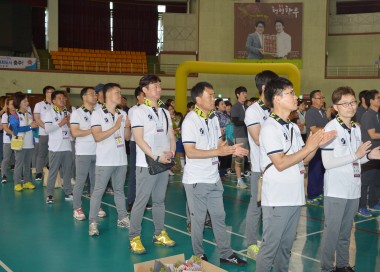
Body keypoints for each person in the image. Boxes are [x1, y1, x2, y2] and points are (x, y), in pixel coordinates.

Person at [256, 77, 335, 272]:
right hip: (277, 197)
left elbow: (304, 160)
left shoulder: (291, 126)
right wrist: (309, 145)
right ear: (277, 98)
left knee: (285, 248)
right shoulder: (269, 127)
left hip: (294, 196)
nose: (295, 97)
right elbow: (281, 163)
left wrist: (316, 145)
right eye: (290, 93)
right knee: (269, 249)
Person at [182, 81, 248, 266]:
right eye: (209, 95)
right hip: (196, 180)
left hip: (213, 178)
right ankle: (198, 255)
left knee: (219, 217)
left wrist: (231, 149)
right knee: (198, 220)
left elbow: (219, 144)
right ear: (198, 99)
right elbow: (190, 152)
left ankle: (225, 254)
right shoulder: (190, 121)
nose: (214, 98)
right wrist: (218, 152)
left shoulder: (212, 118)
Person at [320, 86, 380, 272]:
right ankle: (327, 268)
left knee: (346, 232)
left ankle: (343, 265)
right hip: (336, 190)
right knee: (332, 233)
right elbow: (327, 163)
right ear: (335, 107)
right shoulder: (331, 128)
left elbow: (358, 157)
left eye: (352, 102)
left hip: (353, 188)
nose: (350, 107)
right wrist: (356, 155)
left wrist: (369, 157)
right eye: (345, 104)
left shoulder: (355, 128)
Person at [129, 75, 176, 254]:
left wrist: (171, 152)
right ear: (145, 90)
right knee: (141, 201)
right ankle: (134, 237)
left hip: (163, 162)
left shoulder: (164, 112)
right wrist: (156, 157)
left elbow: (171, 135)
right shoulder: (138, 111)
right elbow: (139, 140)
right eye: (154, 86)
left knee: (159, 200)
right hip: (147, 163)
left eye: (159, 86)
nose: (158, 89)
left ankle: (159, 233)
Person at [88, 83, 131, 236]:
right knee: (98, 191)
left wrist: (126, 127)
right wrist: (115, 126)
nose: (120, 95)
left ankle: (122, 218)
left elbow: (126, 138)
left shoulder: (123, 114)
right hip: (105, 161)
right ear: (107, 96)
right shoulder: (97, 113)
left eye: (120, 92)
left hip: (121, 159)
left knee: (119, 191)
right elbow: (97, 136)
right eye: (116, 92)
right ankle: (92, 222)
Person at [244, 70, 278, 260]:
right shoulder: (253, 111)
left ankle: (269, 242)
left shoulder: (275, 110)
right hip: (261, 169)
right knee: (256, 207)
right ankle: (251, 244)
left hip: (278, 167)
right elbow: (257, 139)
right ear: (265, 88)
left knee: (272, 209)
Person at [70, 87, 106, 220]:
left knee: (96, 182)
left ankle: (96, 206)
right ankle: (77, 208)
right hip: (83, 152)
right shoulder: (77, 113)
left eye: (95, 94)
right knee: (80, 181)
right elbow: (75, 132)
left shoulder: (99, 112)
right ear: (84, 97)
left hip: (98, 151)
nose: (95, 96)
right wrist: (92, 131)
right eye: (91, 94)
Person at [44, 90, 73, 204]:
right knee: (53, 171)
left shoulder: (68, 113)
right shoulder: (49, 113)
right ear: (54, 101)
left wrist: (69, 124)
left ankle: (68, 191)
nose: (63, 100)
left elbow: (71, 130)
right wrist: (60, 123)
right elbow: (47, 129)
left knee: (67, 171)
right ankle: (50, 194)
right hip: (55, 148)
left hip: (67, 146)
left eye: (64, 98)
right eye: (60, 98)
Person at [358, 89, 380, 217]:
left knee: (376, 180)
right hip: (369, 152)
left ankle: (373, 203)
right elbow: (372, 134)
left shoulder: (377, 114)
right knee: (365, 180)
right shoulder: (368, 115)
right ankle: (361, 206)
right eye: (378, 97)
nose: (379, 99)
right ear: (371, 101)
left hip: (377, 152)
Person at [9, 93, 38, 192]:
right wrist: (30, 127)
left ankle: (27, 182)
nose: (27, 102)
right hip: (20, 144)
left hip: (29, 143)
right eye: (24, 101)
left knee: (27, 164)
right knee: (19, 164)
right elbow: (15, 130)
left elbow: (33, 128)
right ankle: (17, 183)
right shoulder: (14, 116)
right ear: (19, 103)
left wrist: (35, 127)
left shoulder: (29, 114)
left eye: (27, 101)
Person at [305, 89, 329, 205]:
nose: (322, 100)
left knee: (321, 170)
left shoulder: (322, 112)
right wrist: (328, 130)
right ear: (313, 99)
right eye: (320, 98)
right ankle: (312, 195)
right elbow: (313, 129)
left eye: (323, 98)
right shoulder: (311, 112)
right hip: (314, 146)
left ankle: (319, 192)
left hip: (323, 145)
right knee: (314, 170)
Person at [127, 86, 146, 213]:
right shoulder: (134, 110)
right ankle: (131, 201)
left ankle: (144, 200)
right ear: (138, 97)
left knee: (147, 173)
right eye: (143, 95)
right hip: (136, 143)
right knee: (135, 173)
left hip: (149, 145)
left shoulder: (152, 110)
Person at [34, 85, 55, 181]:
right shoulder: (39, 105)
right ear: (45, 94)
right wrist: (47, 128)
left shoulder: (56, 105)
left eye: (53, 92)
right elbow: (37, 119)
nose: (51, 94)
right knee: (42, 153)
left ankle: (49, 167)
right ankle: (38, 172)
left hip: (55, 133)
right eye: (49, 92)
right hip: (44, 132)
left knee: (52, 152)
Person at [231, 86, 249, 189]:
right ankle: (239, 180)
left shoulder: (247, 107)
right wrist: (248, 122)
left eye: (245, 93)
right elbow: (235, 122)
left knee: (249, 158)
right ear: (238, 95)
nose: (245, 95)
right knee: (239, 159)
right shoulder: (235, 107)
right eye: (243, 93)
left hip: (248, 136)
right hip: (239, 136)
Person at [214, 98, 232, 179]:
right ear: (217, 106)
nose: (224, 105)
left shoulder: (225, 114)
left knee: (225, 155)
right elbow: (214, 125)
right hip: (218, 137)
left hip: (225, 137)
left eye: (224, 104)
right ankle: (216, 172)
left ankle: (222, 173)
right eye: (222, 104)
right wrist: (220, 129)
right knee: (218, 156)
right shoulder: (215, 114)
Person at [2, 97, 15, 183]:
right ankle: (4, 175)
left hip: (18, 140)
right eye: (11, 104)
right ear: (7, 106)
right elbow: (5, 128)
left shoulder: (18, 114)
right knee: (6, 159)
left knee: (18, 158)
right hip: (8, 140)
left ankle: (19, 175)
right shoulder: (5, 115)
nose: (13, 106)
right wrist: (13, 134)